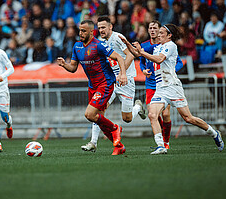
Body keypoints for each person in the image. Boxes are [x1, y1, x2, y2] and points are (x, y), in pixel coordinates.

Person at [120, 24, 224, 154]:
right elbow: (138, 53)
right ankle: (161, 146)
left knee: (188, 118)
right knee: (152, 114)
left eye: (162, 32)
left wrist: (141, 52)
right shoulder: (158, 47)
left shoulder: (171, 46)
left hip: (172, 87)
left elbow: (159, 59)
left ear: (169, 35)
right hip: (160, 88)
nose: (158, 34)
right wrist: (127, 44)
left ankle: (214, 133)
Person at [57, 20, 127, 155]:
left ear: (91, 32)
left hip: (105, 84)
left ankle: (115, 128)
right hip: (92, 86)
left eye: (84, 31)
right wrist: (64, 64)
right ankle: (118, 146)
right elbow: (73, 68)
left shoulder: (99, 45)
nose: (81, 33)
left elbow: (118, 57)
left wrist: (123, 74)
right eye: (80, 30)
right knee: (98, 119)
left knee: (89, 114)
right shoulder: (77, 46)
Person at [81, 16, 146, 153]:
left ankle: (138, 107)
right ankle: (93, 142)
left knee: (127, 118)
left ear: (111, 27)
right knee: (98, 111)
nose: (101, 30)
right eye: (99, 28)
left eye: (104, 27)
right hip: (110, 81)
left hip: (125, 80)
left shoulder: (117, 37)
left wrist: (122, 74)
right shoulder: (100, 41)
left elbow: (130, 55)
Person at [139, 20, 183, 149]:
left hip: (165, 83)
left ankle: (166, 142)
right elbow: (142, 60)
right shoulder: (145, 45)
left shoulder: (167, 45)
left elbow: (178, 62)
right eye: (150, 28)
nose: (152, 30)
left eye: (155, 28)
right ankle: (161, 142)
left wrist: (170, 70)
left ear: (160, 30)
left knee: (165, 114)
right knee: (152, 113)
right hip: (150, 83)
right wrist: (143, 69)